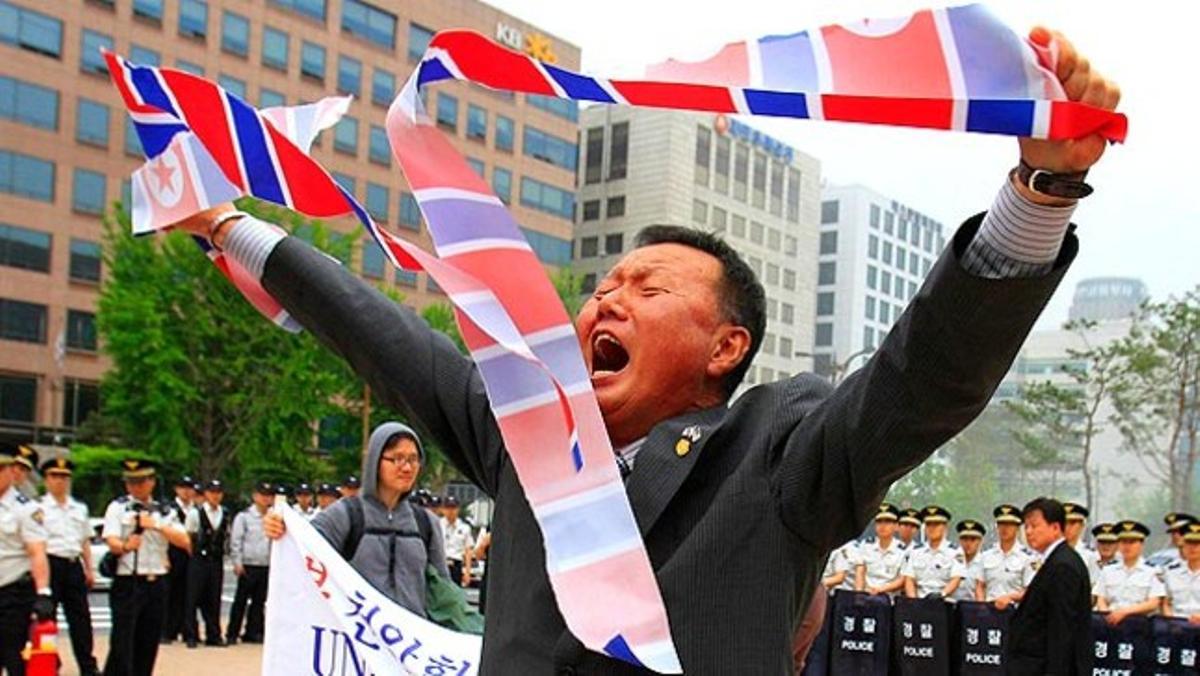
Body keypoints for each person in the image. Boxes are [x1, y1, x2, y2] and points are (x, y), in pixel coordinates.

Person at [176, 27, 1118, 670]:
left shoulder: (780, 452)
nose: (604, 303)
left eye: (647, 288)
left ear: (725, 347)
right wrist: (228, 228)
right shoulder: (524, 436)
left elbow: (927, 379)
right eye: (602, 288)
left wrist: (1038, 193)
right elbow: (379, 333)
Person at [263, 423, 450, 615]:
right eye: (397, 458)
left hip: (410, 640)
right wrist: (278, 528)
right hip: (357, 638)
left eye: (414, 459)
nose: (407, 467)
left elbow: (444, 592)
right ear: (376, 461)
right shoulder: (345, 515)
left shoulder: (426, 523)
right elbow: (300, 553)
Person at [101, 458, 191, 676]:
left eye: (141, 482)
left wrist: (157, 525)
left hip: (156, 581)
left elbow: (185, 541)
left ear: (152, 482)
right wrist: (124, 546)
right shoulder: (118, 507)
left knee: (148, 642)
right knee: (123, 643)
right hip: (129, 581)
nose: (135, 487)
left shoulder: (164, 510)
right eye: (131, 482)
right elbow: (111, 539)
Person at [1007, 497, 1092, 675]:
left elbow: (1062, 630)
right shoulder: (1053, 561)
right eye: (1026, 527)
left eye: (1035, 526)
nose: (1029, 532)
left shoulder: (1063, 566)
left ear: (1055, 528)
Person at [39, 457, 100, 676]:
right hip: (50, 565)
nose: (60, 481)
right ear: (46, 480)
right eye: (55, 476)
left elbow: (84, 540)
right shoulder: (38, 509)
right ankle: (50, 663)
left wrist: (89, 568)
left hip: (73, 565)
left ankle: (88, 665)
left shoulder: (79, 508)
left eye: (64, 477)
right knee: (47, 618)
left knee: (81, 619)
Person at [0, 443, 54, 676]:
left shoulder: (26, 509)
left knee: (12, 655)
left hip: (12, 592)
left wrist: (43, 593)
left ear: (11, 471)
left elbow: (37, 552)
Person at [183, 479, 229, 648]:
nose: (215, 496)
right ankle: (191, 635)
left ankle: (213, 634)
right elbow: (189, 537)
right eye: (212, 492)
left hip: (216, 559)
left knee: (213, 598)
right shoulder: (196, 513)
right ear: (206, 494)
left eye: (218, 492)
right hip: (198, 559)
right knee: (193, 598)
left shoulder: (224, 513)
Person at [1093, 520, 1165, 625]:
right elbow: (1101, 598)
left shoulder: (1153, 571)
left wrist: (1124, 612)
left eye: (1132, 542)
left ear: (1141, 544)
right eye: (1123, 542)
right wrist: (1107, 614)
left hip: (1139, 624)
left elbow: (1153, 603)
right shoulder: (1108, 570)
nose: (1127, 546)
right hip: (1110, 622)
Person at [227, 482, 273, 644]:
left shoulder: (273, 516)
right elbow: (236, 540)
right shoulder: (244, 516)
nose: (265, 498)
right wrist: (237, 562)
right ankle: (232, 633)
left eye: (268, 495)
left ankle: (252, 632)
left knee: (259, 602)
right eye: (262, 495)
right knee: (240, 600)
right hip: (248, 564)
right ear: (254, 496)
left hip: (265, 564)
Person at [976, 503, 1036, 608]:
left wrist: (1010, 598)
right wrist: (981, 605)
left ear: (1017, 528)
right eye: (1001, 524)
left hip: (1014, 612)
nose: (1004, 528)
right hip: (989, 612)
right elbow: (980, 585)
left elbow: (1030, 590)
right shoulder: (986, 556)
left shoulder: (1028, 558)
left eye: (1009, 524)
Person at [903, 505, 966, 599]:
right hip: (919, 600)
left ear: (945, 527)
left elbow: (955, 580)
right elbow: (909, 579)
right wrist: (913, 600)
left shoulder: (955, 552)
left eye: (936, 524)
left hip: (944, 602)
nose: (932, 528)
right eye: (928, 524)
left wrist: (942, 594)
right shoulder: (916, 551)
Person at [161, 474, 196, 644]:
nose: (187, 492)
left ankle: (185, 628)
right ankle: (167, 631)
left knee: (187, 593)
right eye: (183, 488)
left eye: (190, 488)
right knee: (170, 593)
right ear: (176, 489)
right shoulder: (169, 509)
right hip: (173, 553)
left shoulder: (195, 509)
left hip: (191, 555)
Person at [854, 503, 908, 596]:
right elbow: (860, 572)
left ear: (896, 526)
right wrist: (859, 594)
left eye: (887, 521)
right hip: (866, 597)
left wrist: (880, 589)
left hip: (889, 600)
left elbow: (902, 580)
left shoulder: (903, 551)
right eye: (879, 521)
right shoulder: (866, 545)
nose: (882, 526)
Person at [1162, 520, 1200, 624]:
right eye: (1188, 543)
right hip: (1177, 625)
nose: (1193, 548)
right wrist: (1171, 620)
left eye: (1197, 543)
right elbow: (1166, 603)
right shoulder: (1170, 572)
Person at [439, 496, 474, 587]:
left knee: (455, 595)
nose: (450, 511)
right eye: (448, 508)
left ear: (458, 509)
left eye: (453, 508)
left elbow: (468, 551)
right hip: (441, 563)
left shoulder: (464, 528)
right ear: (443, 510)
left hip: (456, 565)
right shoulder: (437, 525)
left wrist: (467, 572)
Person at [1063, 501, 1100, 584]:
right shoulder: (1049, 553)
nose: (1067, 527)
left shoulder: (1090, 556)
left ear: (1082, 526)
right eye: (1064, 523)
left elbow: (1094, 584)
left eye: (1072, 523)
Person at [952, 519, 985, 603]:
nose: (968, 543)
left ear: (980, 541)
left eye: (973, 539)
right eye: (964, 539)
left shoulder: (985, 563)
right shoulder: (951, 559)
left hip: (973, 608)